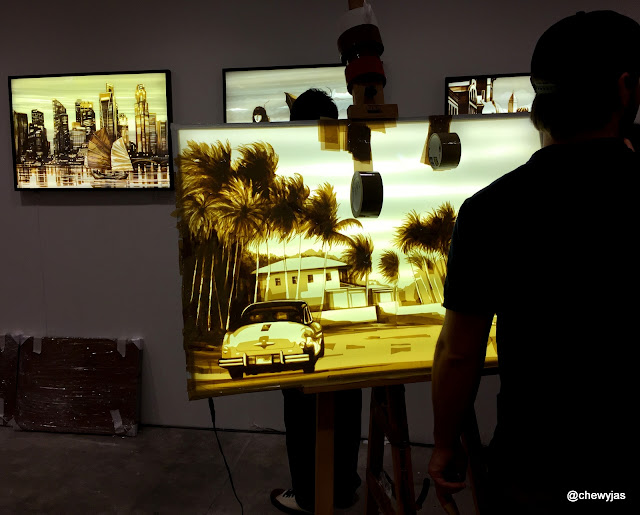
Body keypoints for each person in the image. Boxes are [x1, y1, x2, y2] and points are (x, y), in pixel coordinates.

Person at [428, 10, 640, 514]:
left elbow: (458, 354)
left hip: (537, 471)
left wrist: (443, 443)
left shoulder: (489, 210)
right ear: (625, 88)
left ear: (539, 103)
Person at [271, 88, 363, 514]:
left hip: (299, 316)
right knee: (347, 399)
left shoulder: (287, 174)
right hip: (339, 318)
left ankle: (309, 495)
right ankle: (343, 488)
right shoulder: (351, 163)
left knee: (300, 402)